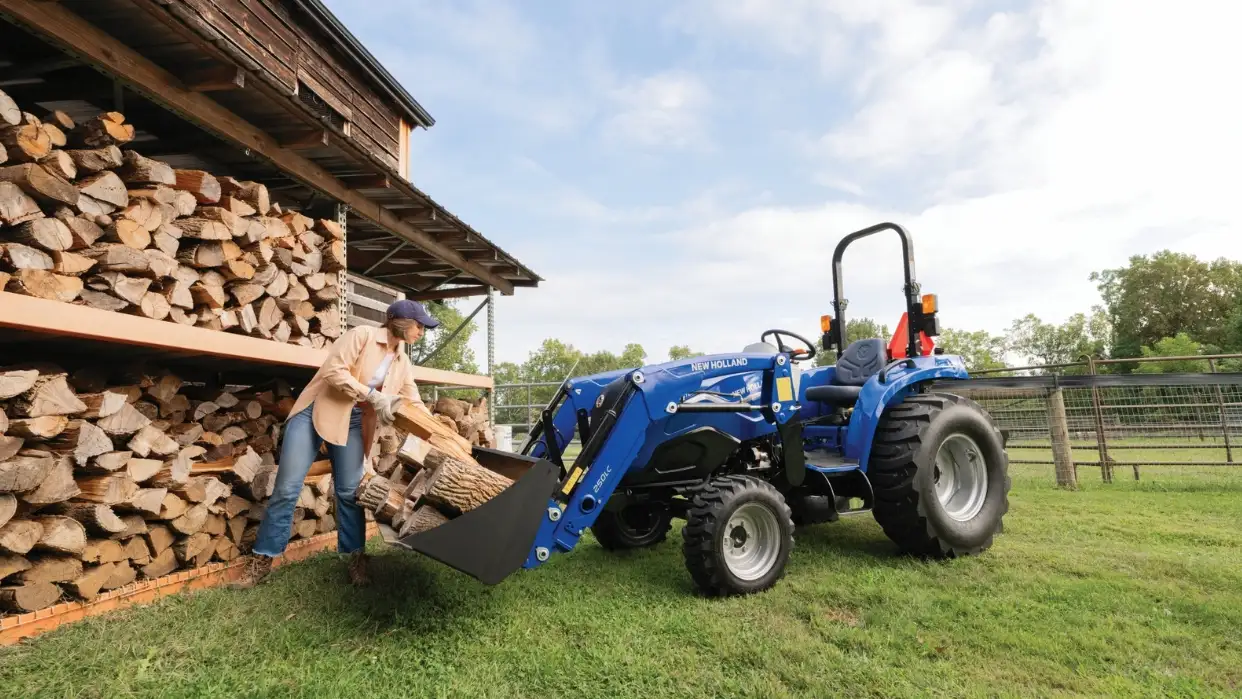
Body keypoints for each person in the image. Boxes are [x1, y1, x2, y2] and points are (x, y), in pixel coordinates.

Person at [231, 299, 440, 588]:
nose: (422, 332)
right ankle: (262, 562)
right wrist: (372, 394)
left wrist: (437, 431)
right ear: (401, 322)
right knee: (287, 488)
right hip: (315, 410)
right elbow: (333, 371)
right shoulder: (362, 336)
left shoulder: (402, 361)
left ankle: (356, 559)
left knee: (349, 491)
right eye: (419, 326)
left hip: (353, 420)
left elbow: (412, 400)